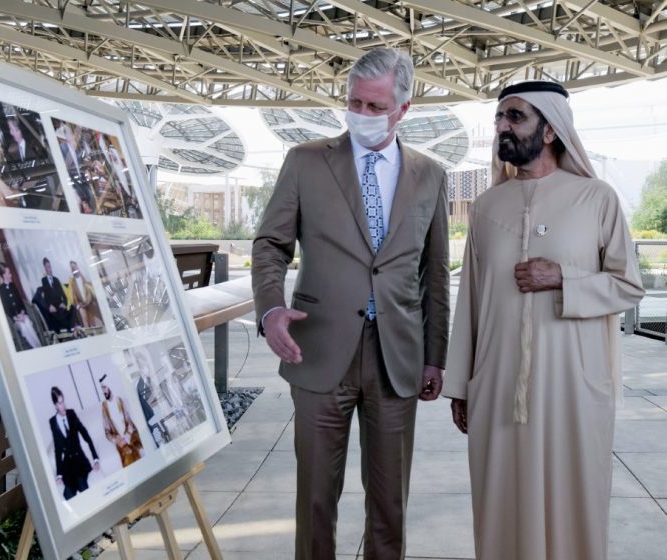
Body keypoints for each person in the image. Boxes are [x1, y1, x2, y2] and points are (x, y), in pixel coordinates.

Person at [251, 48, 449, 560]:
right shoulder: (306, 162)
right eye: (354, 102)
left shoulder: (431, 175)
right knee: (315, 500)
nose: (361, 114)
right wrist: (271, 310)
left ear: (403, 109)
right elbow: (269, 245)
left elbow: (435, 275)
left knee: (390, 506)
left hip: (396, 358)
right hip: (318, 351)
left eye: (374, 106)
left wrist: (435, 355)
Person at [441, 81, 645, 560]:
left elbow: (629, 285)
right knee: (499, 503)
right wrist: (462, 385)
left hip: (573, 388)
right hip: (496, 386)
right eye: (498, 119)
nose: (501, 128)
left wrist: (564, 279)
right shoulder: (487, 208)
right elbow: (470, 297)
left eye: (514, 117)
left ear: (551, 130)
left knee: (574, 499)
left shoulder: (597, 198)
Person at [48, 386, 100, 500]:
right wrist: (59, 474)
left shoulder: (71, 414)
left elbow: (85, 435)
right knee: (69, 495)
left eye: (63, 401)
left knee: (83, 486)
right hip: (67, 465)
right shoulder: (53, 422)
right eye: (60, 403)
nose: (63, 406)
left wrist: (95, 458)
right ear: (55, 405)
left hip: (79, 461)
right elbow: (58, 449)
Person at [99, 376, 144, 467]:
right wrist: (116, 440)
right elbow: (107, 432)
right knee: (128, 459)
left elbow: (129, 421)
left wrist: (127, 436)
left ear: (110, 386)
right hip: (120, 442)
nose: (103, 391)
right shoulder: (104, 407)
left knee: (141, 452)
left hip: (131, 436)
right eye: (101, 389)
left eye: (104, 387)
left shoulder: (120, 400)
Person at [0, 263, 42, 349]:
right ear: (4, 275)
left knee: (28, 323)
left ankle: (39, 346)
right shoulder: (1, 290)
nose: (10, 275)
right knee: (23, 327)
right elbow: (6, 308)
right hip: (15, 320)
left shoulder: (13, 286)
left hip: (22, 315)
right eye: (8, 273)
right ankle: (36, 348)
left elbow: (20, 302)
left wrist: (22, 313)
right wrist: (16, 318)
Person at [40, 257, 77, 333]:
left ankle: (69, 327)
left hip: (60, 304)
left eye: (50, 266)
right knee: (57, 315)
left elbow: (63, 295)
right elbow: (45, 297)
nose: (49, 269)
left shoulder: (56, 279)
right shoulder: (43, 280)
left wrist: (64, 303)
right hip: (52, 305)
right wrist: (49, 305)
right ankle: (69, 328)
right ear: (45, 268)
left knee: (72, 308)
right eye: (47, 267)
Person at [67, 260, 103, 329]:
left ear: (77, 267)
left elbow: (90, 292)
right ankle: (89, 332)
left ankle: (98, 328)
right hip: (81, 305)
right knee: (81, 312)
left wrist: (87, 301)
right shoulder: (72, 283)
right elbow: (74, 297)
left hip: (90, 301)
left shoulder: (85, 278)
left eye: (75, 267)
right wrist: (78, 304)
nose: (74, 269)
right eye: (72, 268)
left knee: (96, 315)